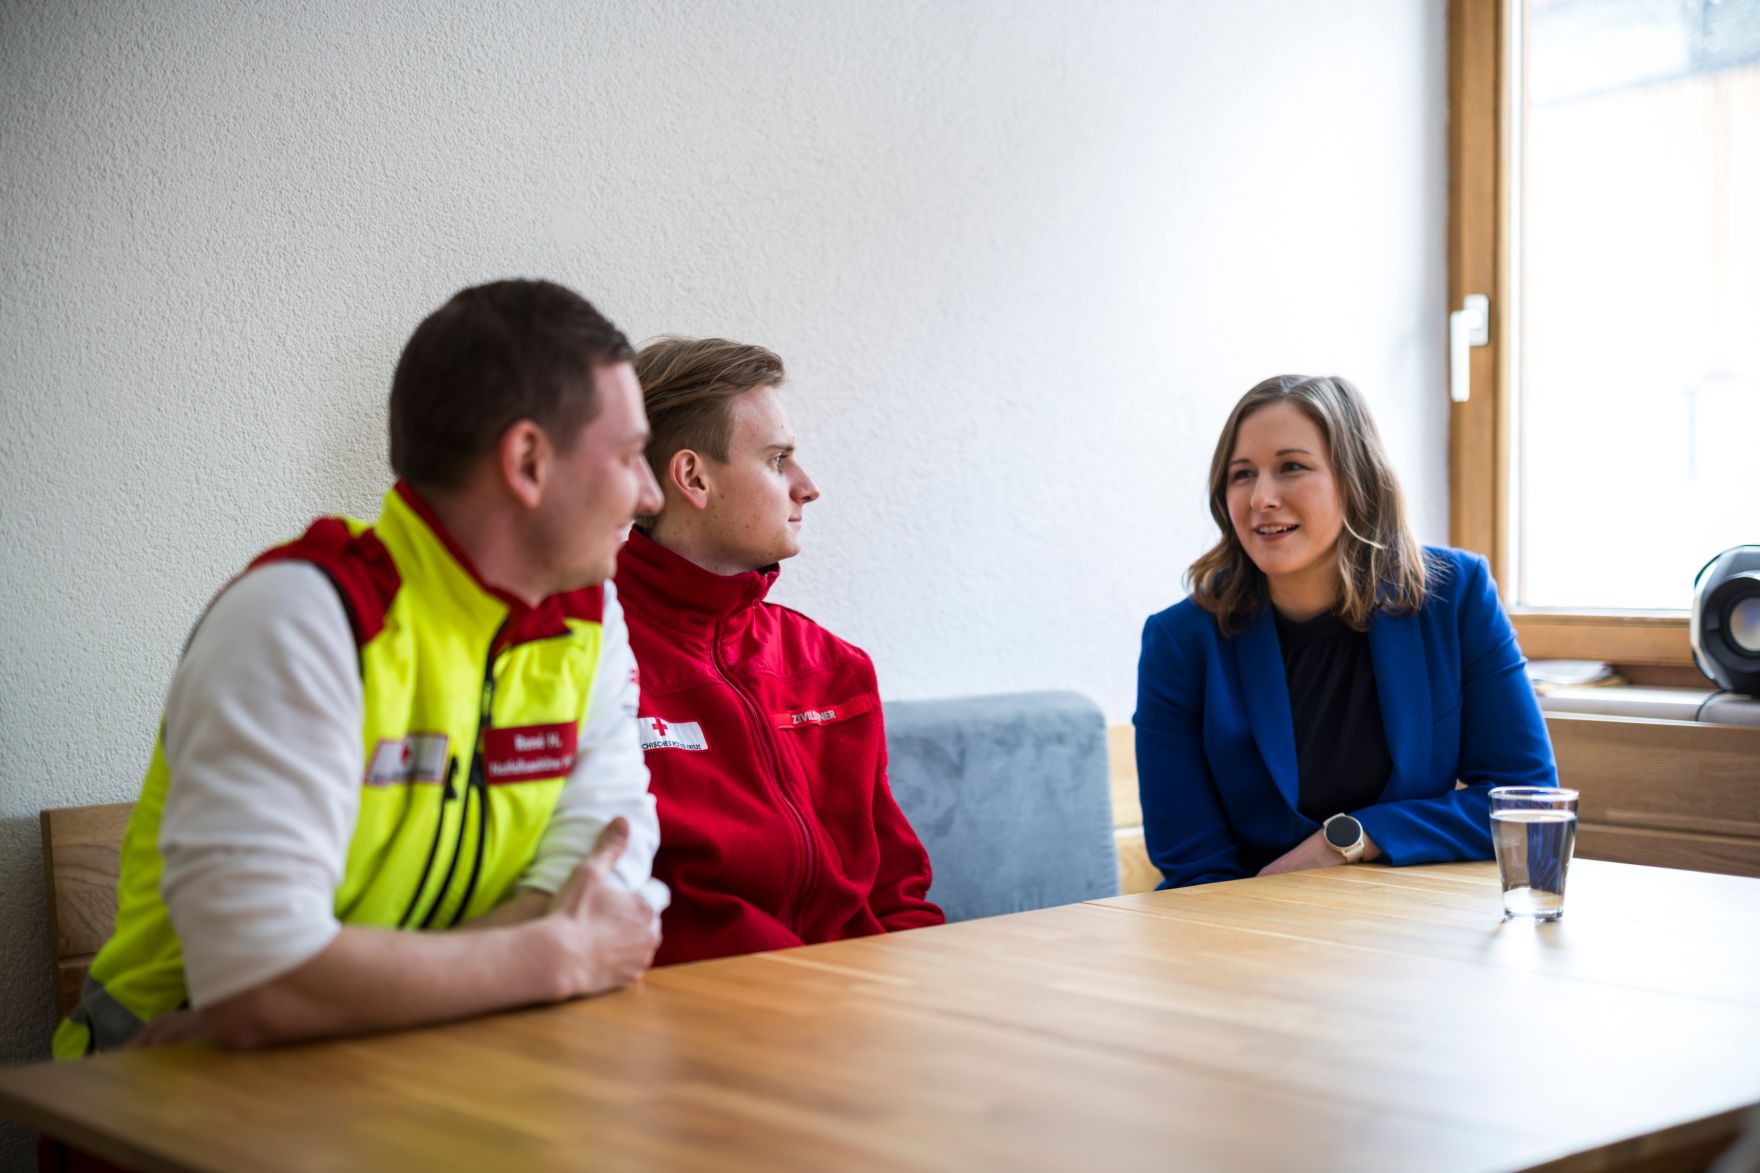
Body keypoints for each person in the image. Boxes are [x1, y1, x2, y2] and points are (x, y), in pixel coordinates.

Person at [55, 280, 670, 1057]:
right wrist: (553, 955)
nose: (648, 494)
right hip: (158, 1106)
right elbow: (260, 983)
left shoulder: (589, 616)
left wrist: (331, 998)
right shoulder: (301, 619)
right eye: (627, 456)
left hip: (415, 1070)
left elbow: (606, 876)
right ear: (527, 461)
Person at [1134, 374, 1557, 889]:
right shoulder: (1178, 643)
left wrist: (1354, 838)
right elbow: (1194, 867)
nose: (1260, 498)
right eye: (1241, 474)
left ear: (1357, 480)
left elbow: (1526, 802)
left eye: (1292, 467)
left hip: (1409, 924)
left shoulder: (1456, 596)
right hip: (1245, 932)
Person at [613, 336, 944, 965]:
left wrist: (919, 989)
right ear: (693, 478)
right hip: (703, 1016)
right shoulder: (583, 660)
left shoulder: (830, 663)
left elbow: (900, 891)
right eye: (777, 460)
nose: (807, 486)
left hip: (860, 1003)